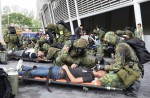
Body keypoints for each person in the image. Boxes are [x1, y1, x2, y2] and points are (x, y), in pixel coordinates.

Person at [100, 31, 141, 96]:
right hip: (131, 68)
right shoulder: (122, 42)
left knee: (104, 80)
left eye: (108, 41)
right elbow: (120, 61)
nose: (108, 43)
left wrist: (103, 67)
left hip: (132, 70)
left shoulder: (120, 46)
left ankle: (131, 84)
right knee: (112, 72)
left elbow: (118, 66)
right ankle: (130, 81)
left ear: (111, 39)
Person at [17, 60, 106, 83]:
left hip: (59, 73)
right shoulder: (89, 70)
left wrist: (67, 69)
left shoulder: (90, 77)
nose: (101, 71)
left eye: (103, 73)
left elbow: (74, 80)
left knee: (35, 73)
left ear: (100, 75)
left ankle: (17, 72)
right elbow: (76, 70)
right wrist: (73, 66)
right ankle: (23, 67)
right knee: (39, 68)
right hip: (60, 68)